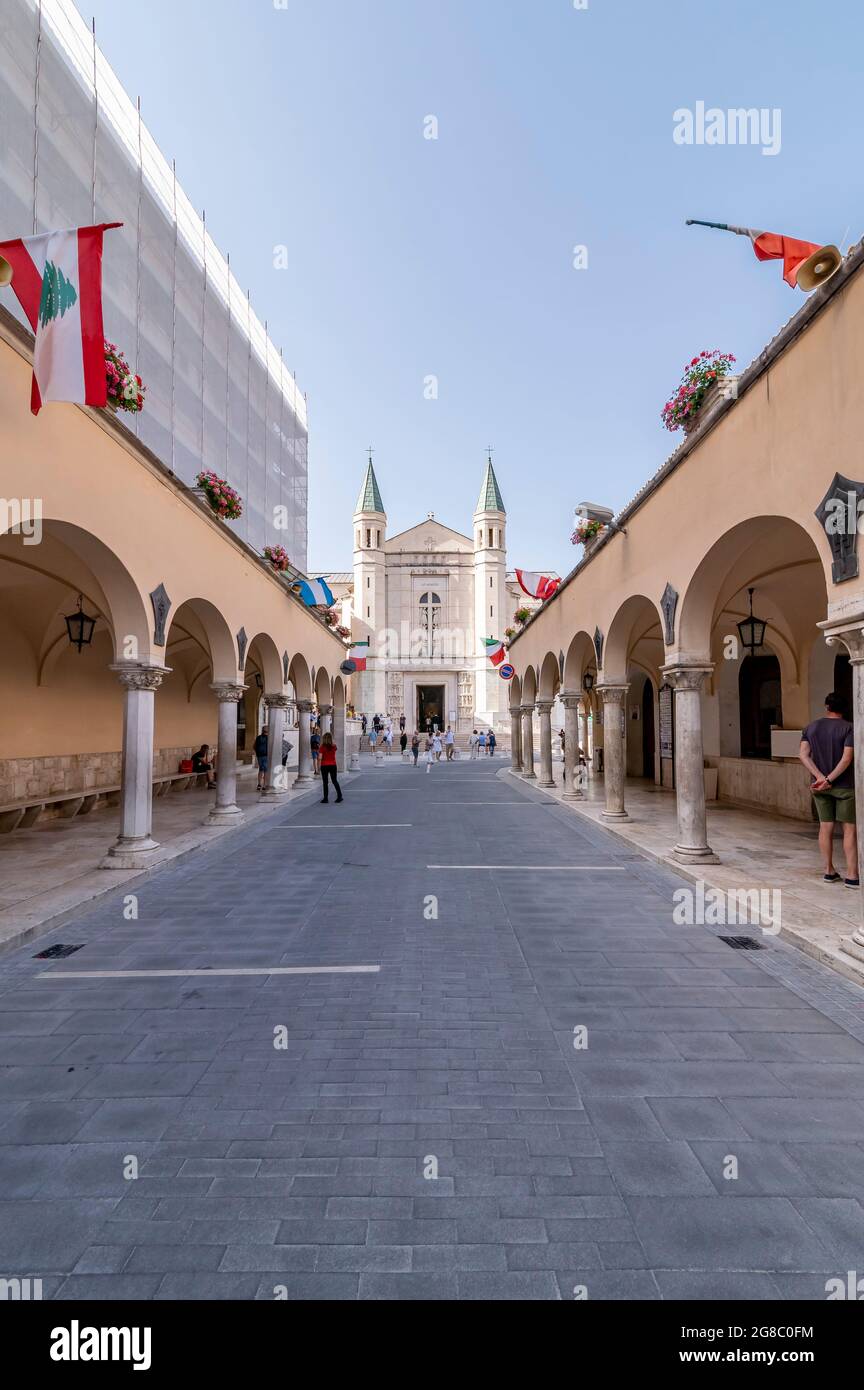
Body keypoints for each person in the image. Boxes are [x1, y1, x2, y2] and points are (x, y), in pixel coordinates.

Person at [799, 691, 858, 887]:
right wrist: (829, 779)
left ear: (827, 707)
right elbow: (847, 758)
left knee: (826, 828)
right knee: (849, 830)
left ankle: (829, 871)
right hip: (845, 787)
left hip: (819, 787)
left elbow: (803, 755)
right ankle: (852, 875)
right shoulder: (850, 728)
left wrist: (820, 778)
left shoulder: (811, 727)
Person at [319, 732, 343, 804]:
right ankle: (339, 796)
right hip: (333, 765)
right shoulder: (334, 746)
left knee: (325, 782)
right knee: (334, 781)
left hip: (324, 765)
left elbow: (320, 757)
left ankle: (325, 798)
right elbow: (334, 747)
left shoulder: (322, 747)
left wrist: (318, 767)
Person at [253, 727, 269, 792]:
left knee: (261, 770)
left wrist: (257, 753)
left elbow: (254, 746)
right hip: (266, 755)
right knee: (265, 771)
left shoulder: (258, 737)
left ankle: (259, 784)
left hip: (259, 756)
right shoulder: (269, 738)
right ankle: (264, 785)